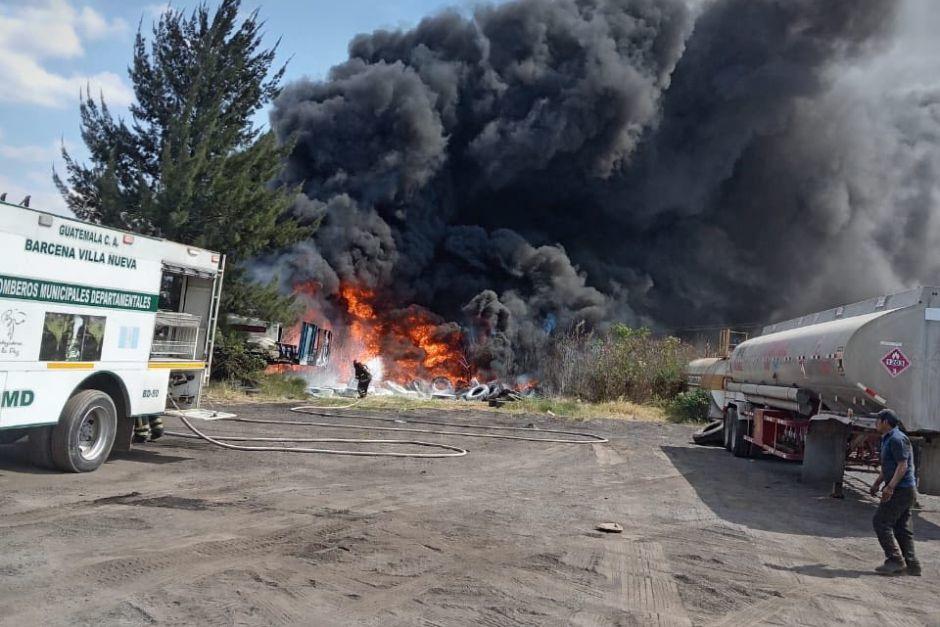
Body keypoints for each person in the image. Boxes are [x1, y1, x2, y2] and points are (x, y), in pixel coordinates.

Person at [869, 409, 920, 576]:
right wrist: (877, 483)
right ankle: (912, 566)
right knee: (901, 528)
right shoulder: (888, 439)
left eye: (877, 420)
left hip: (902, 490)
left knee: (881, 522)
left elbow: (902, 466)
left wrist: (890, 487)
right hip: (902, 489)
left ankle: (895, 560)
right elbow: (887, 466)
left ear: (885, 422)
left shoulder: (897, 439)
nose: (875, 423)